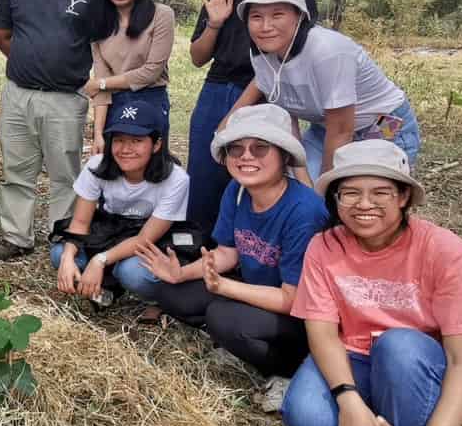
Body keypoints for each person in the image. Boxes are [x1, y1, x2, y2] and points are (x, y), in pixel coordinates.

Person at [281, 142, 462, 426]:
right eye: (350, 193)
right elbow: (323, 332)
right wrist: (348, 401)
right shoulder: (325, 246)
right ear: (336, 199)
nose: (365, 204)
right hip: (357, 357)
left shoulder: (446, 252)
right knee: (306, 418)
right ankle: (373, 425)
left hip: (415, 362)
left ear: (403, 197)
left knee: (398, 345)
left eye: (380, 192)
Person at [136, 104, 329, 409]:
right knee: (171, 292)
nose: (246, 157)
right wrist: (181, 274)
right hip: (256, 291)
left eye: (260, 148)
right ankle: (237, 338)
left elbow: (294, 299)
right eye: (236, 149)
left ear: (285, 156)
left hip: (298, 315)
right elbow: (228, 251)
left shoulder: (304, 211)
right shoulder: (237, 191)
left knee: (222, 318)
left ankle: (287, 371)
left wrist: (225, 288)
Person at [187, 0, 317, 238]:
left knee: (261, 171)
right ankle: (200, 246)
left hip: (268, 92)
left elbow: (291, 58)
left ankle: (252, 249)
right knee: (205, 171)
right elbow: (197, 57)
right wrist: (215, 22)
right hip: (217, 89)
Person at [226, 0, 421, 183]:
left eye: (277, 14)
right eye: (256, 16)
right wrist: (300, 176)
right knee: (293, 185)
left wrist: (323, 189)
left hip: (382, 124)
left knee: (363, 192)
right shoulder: (262, 54)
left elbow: (341, 130)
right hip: (325, 129)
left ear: (299, 16)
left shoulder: (328, 52)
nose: (265, 26)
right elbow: (287, 115)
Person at [0, 0, 96, 261]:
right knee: (16, 170)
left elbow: (101, 41)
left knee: (65, 172)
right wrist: (26, 58)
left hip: (67, 98)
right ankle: (17, 236)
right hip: (19, 94)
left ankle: (62, 236)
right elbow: (1, 34)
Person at [50, 96, 188, 307]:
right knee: (60, 254)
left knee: (132, 272)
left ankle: (156, 298)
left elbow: (144, 239)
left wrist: (100, 260)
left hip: (149, 237)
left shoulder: (176, 179)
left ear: (157, 144)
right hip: (111, 228)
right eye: (119, 139)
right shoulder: (97, 165)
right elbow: (80, 223)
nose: (125, 149)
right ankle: (105, 286)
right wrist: (68, 257)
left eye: (137, 141)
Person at [85, 0, 174, 155]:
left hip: (151, 99)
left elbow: (151, 71)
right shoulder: (99, 23)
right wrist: (98, 134)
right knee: (116, 169)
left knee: (151, 167)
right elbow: (100, 87)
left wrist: (103, 83)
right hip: (115, 104)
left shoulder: (161, 15)